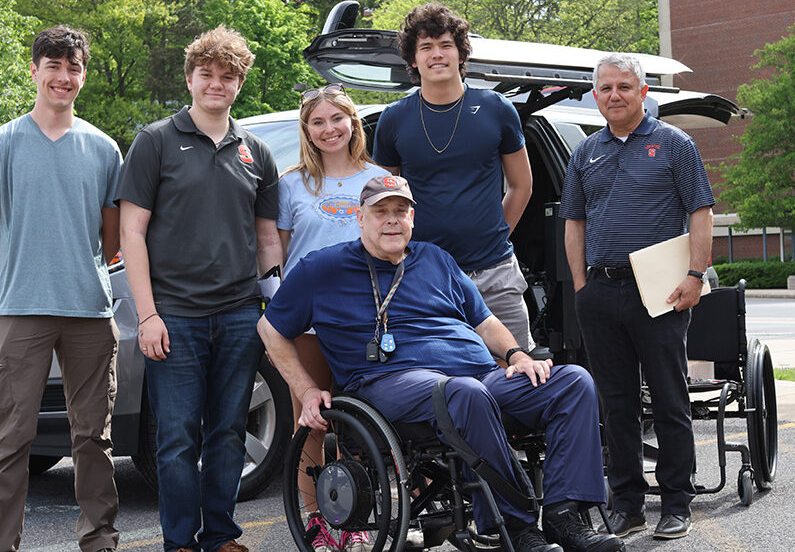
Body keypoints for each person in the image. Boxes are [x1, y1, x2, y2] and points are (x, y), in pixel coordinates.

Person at [259, 175, 624, 552]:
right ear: (359, 217)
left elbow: (485, 321)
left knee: (573, 382)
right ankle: (514, 530)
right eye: (380, 211)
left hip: (478, 375)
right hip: (388, 383)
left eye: (401, 211)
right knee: (463, 394)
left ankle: (565, 518)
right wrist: (306, 389)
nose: (392, 220)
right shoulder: (322, 269)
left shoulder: (436, 259)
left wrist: (517, 355)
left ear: (412, 218)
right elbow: (269, 329)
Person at [116, 25, 282, 552]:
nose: (217, 84)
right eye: (207, 74)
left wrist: (269, 307)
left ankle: (220, 536)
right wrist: (147, 315)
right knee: (176, 439)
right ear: (190, 78)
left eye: (228, 76)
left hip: (239, 316)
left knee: (229, 433)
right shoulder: (155, 142)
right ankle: (180, 542)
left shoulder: (255, 150)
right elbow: (131, 233)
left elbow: (266, 240)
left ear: (239, 84)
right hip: (175, 318)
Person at [0, 25, 122, 552]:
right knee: (10, 439)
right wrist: (12, 280)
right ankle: (1, 546)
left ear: (83, 74)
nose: (63, 77)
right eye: (52, 66)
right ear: (34, 70)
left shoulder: (103, 149)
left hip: (88, 312)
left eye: (73, 67)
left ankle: (99, 539)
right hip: (21, 312)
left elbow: (112, 238)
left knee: (93, 438)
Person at [560, 53, 714, 541]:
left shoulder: (675, 144)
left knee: (669, 400)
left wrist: (695, 275)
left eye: (624, 87)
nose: (614, 96)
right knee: (616, 404)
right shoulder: (586, 152)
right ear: (595, 95)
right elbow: (574, 221)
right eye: (604, 88)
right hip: (601, 292)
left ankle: (676, 502)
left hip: (661, 290)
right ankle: (626, 504)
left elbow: (700, 212)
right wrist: (582, 287)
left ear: (643, 92)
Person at [373, 2, 535, 351]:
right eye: (426, 47)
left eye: (446, 45)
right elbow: (384, 202)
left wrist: (495, 235)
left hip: (496, 273)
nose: (437, 54)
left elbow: (522, 185)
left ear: (461, 54)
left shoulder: (496, 109)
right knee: (442, 383)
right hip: (423, 275)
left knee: (519, 376)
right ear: (413, 61)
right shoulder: (394, 119)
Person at [278, 84, 389, 552]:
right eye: (318, 122)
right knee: (312, 425)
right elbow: (279, 256)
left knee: (359, 427)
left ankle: (356, 518)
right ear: (307, 130)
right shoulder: (289, 185)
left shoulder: (378, 177)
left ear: (352, 123)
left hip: (366, 321)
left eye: (337, 119)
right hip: (307, 324)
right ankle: (318, 521)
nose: (329, 129)